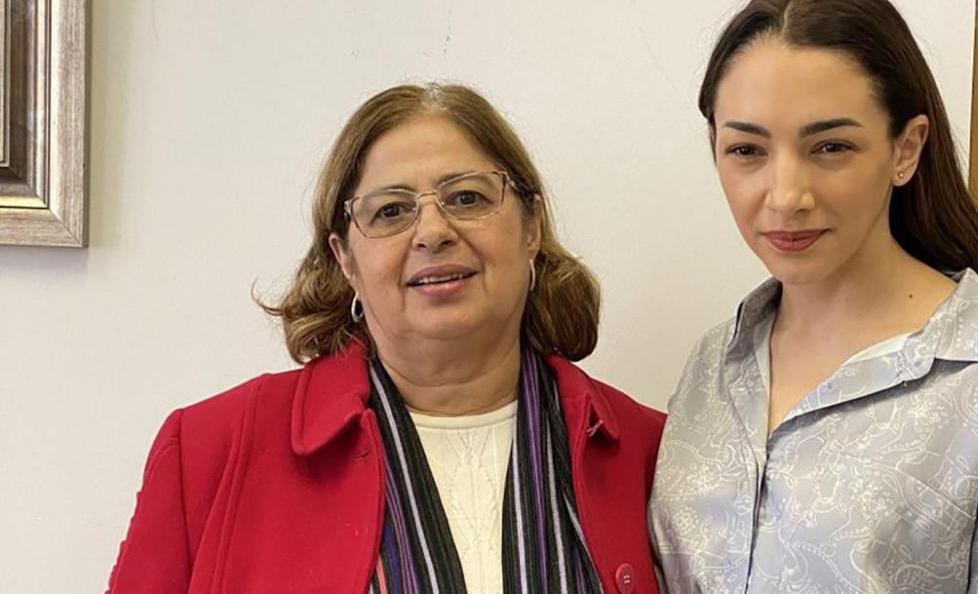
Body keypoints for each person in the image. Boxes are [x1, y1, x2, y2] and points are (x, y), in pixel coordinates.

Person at [649, 0, 978, 592]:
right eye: (747, 150)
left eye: (830, 146)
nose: (786, 196)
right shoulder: (712, 368)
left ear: (905, 149)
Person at [108, 83, 664, 594]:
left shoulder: (653, 453)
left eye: (467, 198)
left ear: (530, 226)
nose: (433, 232)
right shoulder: (209, 452)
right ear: (345, 257)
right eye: (391, 211)